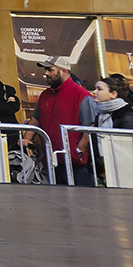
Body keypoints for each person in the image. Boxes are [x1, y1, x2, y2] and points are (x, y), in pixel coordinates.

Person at [34, 56, 97, 186]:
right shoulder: (45, 94)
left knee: (82, 201)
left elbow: (89, 127)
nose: (45, 73)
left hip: (75, 164)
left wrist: (78, 151)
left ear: (63, 71)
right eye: (45, 69)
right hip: (50, 161)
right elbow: (36, 118)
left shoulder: (82, 95)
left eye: (50, 69)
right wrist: (27, 139)